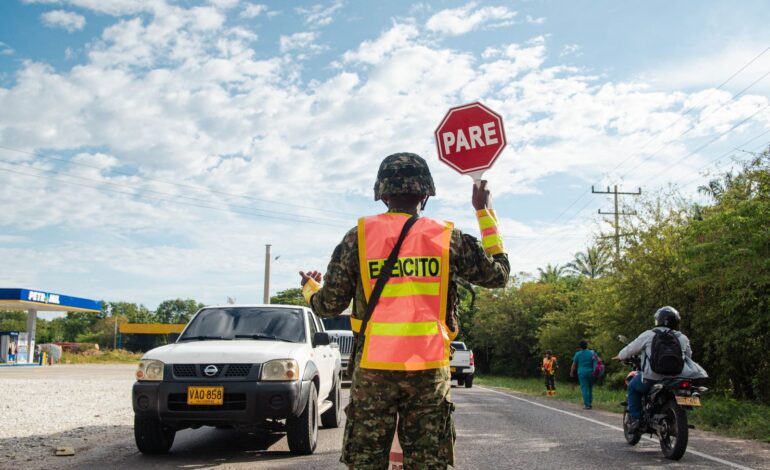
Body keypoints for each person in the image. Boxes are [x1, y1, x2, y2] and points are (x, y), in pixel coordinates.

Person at [299, 152, 510, 469]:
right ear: (426, 193)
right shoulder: (447, 238)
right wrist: (484, 211)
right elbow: (500, 274)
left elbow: (330, 305)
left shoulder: (357, 238)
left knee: (366, 462)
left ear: (381, 194)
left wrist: (309, 290)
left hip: (372, 371)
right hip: (429, 371)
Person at [612, 306, 704, 432]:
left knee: (633, 387)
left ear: (658, 320)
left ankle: (637, 419)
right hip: (676, 378)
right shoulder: (682, 338)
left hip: (652, 377)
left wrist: (620, 356)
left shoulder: (649, 334)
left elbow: (630, 349)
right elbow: (688, 356)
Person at [570, 340, 599, 409]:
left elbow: (574, 364)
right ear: (587, 345)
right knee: (590, 387)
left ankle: (587, 404)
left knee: (584, 388)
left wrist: (571, 372)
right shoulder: (592, 353)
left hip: (582, 372)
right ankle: (590, 402)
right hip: (591, 372)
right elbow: (598, 361)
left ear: (580, 346)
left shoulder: (578, 354)